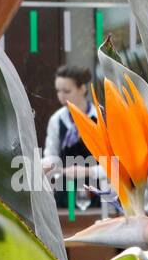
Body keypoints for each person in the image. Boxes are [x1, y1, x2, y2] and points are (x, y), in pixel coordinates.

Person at [41, 64, 106, 209]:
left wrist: (89, 171)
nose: (61, 96)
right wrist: (47, 165)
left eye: (67, 91)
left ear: (82, 89)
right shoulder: (57, 120)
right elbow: (51, 154)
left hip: (98, 191)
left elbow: (115, 164)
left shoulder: (101, 119)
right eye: (58, 91)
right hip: (66, 192)